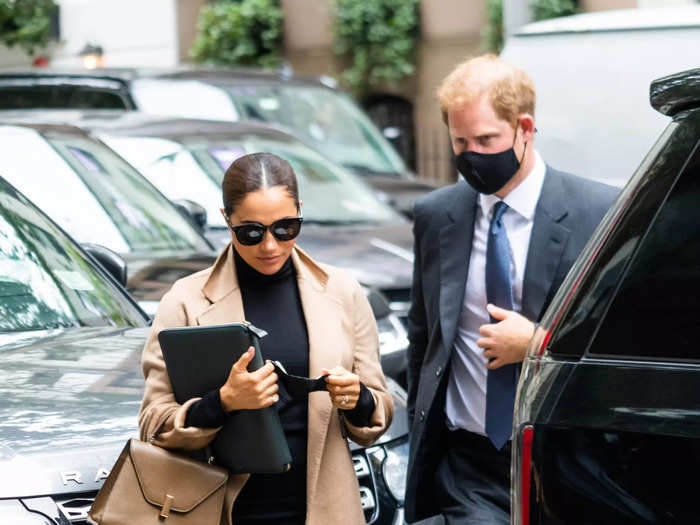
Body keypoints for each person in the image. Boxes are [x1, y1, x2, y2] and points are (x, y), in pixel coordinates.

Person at [404, 54, 618, 524]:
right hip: (468, 464)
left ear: (524, 128)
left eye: (485, 140)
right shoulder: (437, 216)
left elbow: (629, 342)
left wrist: (540, 345)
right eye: (460, 142)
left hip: (565, 460)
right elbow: (424, 339)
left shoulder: (598, 212)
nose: (471, 155)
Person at [138, 152, 393, 525]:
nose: (270, 245)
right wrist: (223, 402)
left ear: (300, 212)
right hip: (223, 510)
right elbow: (153, 424)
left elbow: (379, 409)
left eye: (286, 228)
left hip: (326, 510)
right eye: (251, 232)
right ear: (226, 220)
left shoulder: (342, 292)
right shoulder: (185, 301)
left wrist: (359, 398)